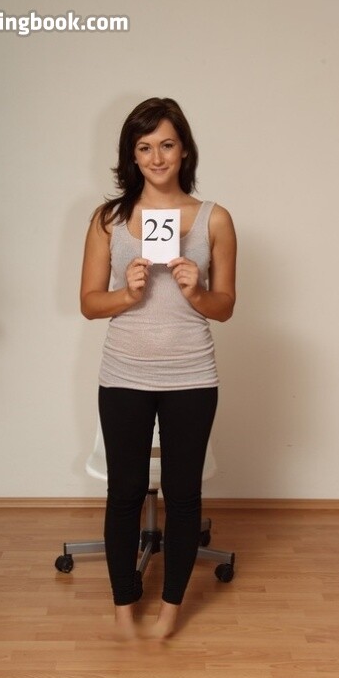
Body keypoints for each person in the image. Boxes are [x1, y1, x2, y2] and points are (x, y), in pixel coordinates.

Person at [80, 97, 236, 640]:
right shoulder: (109, 220)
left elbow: (225, 307)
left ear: (184, 149)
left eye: (166, 144)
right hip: (124, 373)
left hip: (192, 375)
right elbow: (89, 303)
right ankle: (124, 605)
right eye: (144, 147)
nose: (156, 157)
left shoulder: (215, 219)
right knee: (124, 492)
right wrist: (126, 294)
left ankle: (171, 608)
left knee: (183, 494)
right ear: (132, 155)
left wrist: (197, 292)